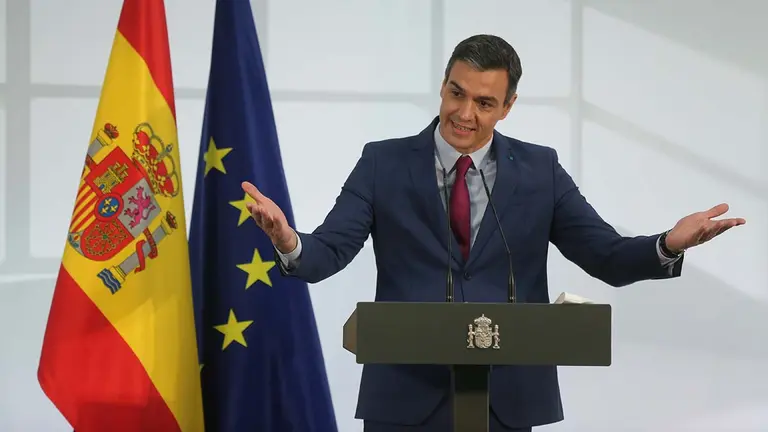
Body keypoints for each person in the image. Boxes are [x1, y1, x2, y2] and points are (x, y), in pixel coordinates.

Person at [241, 34, 745, 432]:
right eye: (456, 94)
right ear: (443, 85)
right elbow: (329, 251)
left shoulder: (539, 171)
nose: (465, 113)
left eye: (484, 103)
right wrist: (289, 241)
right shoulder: (383, 163)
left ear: (508, 106)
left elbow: (605, 255)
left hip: (507, 399)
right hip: (404, 396)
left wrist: (667, 245)